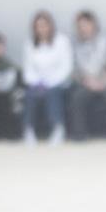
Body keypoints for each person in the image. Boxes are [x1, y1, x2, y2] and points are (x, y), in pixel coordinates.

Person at [22, 10, 73, 144]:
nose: (42, 29)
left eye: (44, 25)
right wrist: (37, 82)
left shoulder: (62, 41)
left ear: (50, 25)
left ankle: (58, 128)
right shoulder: (29, 43)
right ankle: (28, 130)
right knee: (29, 94)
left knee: (52, 93)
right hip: (37, 83)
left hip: (58, 82)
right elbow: (28, 69)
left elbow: (66, 67)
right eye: (38, 26)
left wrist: (50, 82)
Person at [70, 10, 106, 141]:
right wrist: (87, 81)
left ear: (94, 24)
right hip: (86, 82)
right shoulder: (75, 45)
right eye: (80, 26)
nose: (83, 29)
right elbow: (73, 70)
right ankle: (80, 135)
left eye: (86, 25)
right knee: (77, 97)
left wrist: (105, 81)